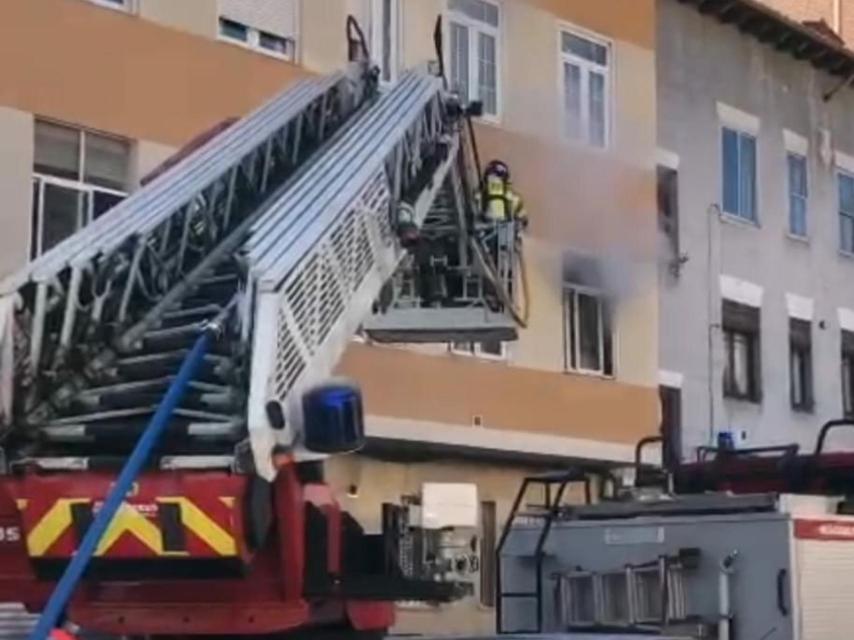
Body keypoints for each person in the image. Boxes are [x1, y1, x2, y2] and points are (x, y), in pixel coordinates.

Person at [482, 160, 527, 229]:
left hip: (482, 235)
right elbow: (523, 220)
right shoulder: (514, 198)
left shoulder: (478, 196)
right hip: (506, 235)